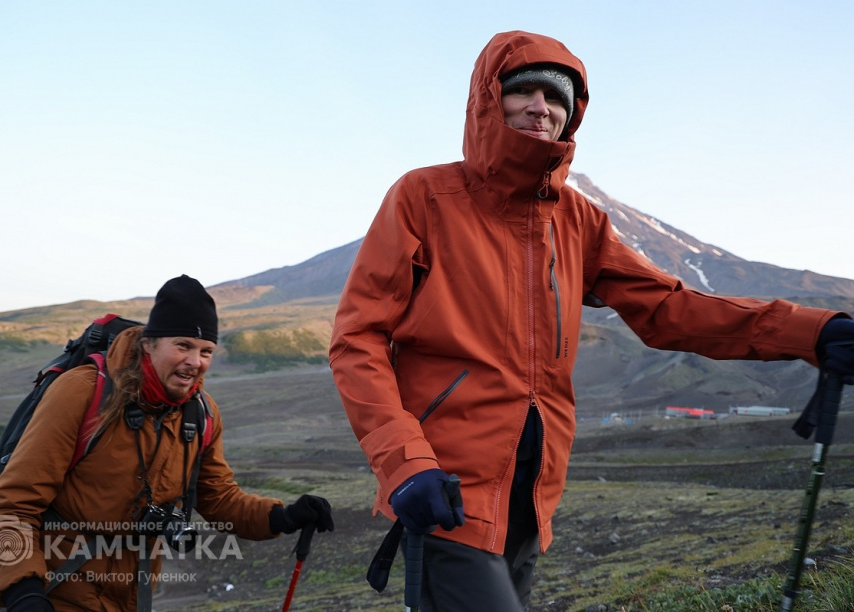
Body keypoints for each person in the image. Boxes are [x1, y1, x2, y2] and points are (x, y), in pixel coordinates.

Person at [328, 30, 854, 611]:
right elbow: (358, 339)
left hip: (530, 499)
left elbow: (668, 308)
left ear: (571, 115)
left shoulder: (577, 220)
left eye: (556, 98)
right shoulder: (424, 197)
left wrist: (812, 330)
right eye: (521, 90)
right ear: (486, 100)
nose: (540, 107)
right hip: (445, 493)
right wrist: (405, 464)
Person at [0, 275, 334, 612]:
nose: (195, 362)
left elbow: (219, 499)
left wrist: (283, 517)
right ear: (148, 344)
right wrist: (23, 594)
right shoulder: (83, 392)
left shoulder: (201, 413)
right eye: (183, 345)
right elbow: (12, 505)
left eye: (206, 351)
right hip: (55, 592)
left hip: (134, 598)